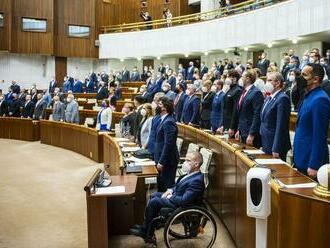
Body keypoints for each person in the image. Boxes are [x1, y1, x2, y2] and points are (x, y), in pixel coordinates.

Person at [129, 151, 205, 245]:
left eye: (188, 160)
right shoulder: (189, 174)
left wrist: (170, 196)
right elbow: (177, 186)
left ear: (196, 164)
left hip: (181, 204)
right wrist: (170, 190)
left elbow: (184, 200)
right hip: (176, 196)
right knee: (154, 195)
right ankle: (147, 229)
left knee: (155, 202)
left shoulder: (197, 181)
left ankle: (146, 232)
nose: (184, 162)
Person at [293, 63, 330, 178]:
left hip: (310, 163)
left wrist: (314, 164)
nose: (300, 78)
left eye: (304, 75)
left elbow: (319, 134)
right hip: (301, 157)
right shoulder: (308, 95)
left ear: (315, 79)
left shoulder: (320, 99)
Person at [260, 72, 291, 161]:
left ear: (277, 83)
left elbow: (281, 125)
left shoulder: (282, 98)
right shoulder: (269, 97)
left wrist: (276, 147)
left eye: (269, 80)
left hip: (275, 144)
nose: (267, 83)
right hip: (266, 141)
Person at [154, 97, 179, 192]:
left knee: (166, 187)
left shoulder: (168, 122)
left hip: (168, 161)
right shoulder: (163, 120)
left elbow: (168, 144)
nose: (157, 106)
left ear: (165, 107)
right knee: (161, 185)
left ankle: (167, 205)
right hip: (162, 158)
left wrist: (161, 161)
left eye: (160, 104)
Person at [234, 69, 264, 148]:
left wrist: (251, 134)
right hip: (243, 131)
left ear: (248, 79)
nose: (241, 79)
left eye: (242, 77)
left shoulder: (256, 92)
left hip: (250, 133)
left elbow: (257, 115)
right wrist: (239, 130)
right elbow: (242, 114)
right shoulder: (244, 92)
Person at [219, 69, 243, 136]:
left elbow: (235, 110)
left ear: (235, 78)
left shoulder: (238, 90)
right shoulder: (229, 89)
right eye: (228, 76)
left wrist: (232, 127)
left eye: (230, 77)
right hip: (226, 122)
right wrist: (222, 124)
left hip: (231, 124)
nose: (228, 78)